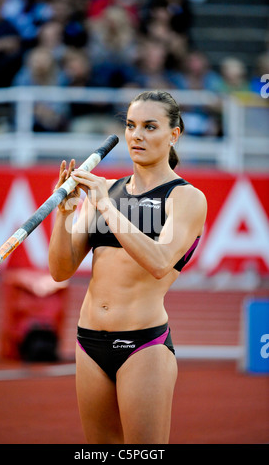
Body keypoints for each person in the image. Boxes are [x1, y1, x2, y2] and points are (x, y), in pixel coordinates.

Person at [48, 90, 207, 444]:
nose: (137, 135)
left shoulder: (186, 197)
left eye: (150, 127)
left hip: (142, 346)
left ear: (173, 134)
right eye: (131, 126)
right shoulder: (108, 190)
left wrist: (105, 207)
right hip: (88, 341)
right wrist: (64, 214)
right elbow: (60, 271)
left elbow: (160, 263)